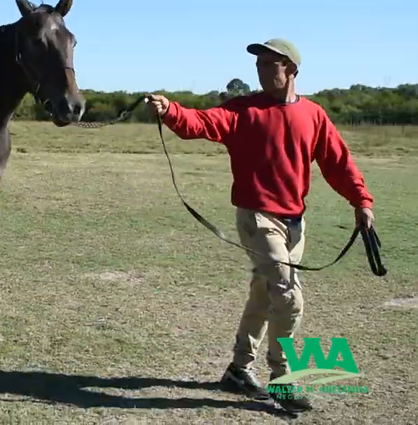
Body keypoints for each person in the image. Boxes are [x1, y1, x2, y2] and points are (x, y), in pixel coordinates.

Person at [145, 38, 375, 413]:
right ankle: (283, 379)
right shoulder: (243, 110)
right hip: (256, 217)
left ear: (292, 70)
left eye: (271, 63)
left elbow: (338, 162)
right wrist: (171, 110)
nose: (262, 69)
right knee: (286, 294)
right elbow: (199, 122)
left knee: (264, 294)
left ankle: (238, 369)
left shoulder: (313, 115)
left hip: (294, 222)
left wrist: (361, 200)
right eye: (259, 64)